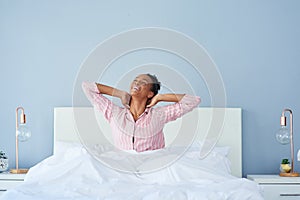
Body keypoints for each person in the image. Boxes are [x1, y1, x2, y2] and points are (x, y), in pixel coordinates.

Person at [82, 73, 201, 152]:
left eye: (143, 82)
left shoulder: (159, 115)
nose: (137, 83)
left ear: (150, 93)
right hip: (124, 165)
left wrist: (160, 97)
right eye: (135, 81)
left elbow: (193, 101)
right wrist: (119, 93)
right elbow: (87, 87)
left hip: (152, 164)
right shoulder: (114, 113)